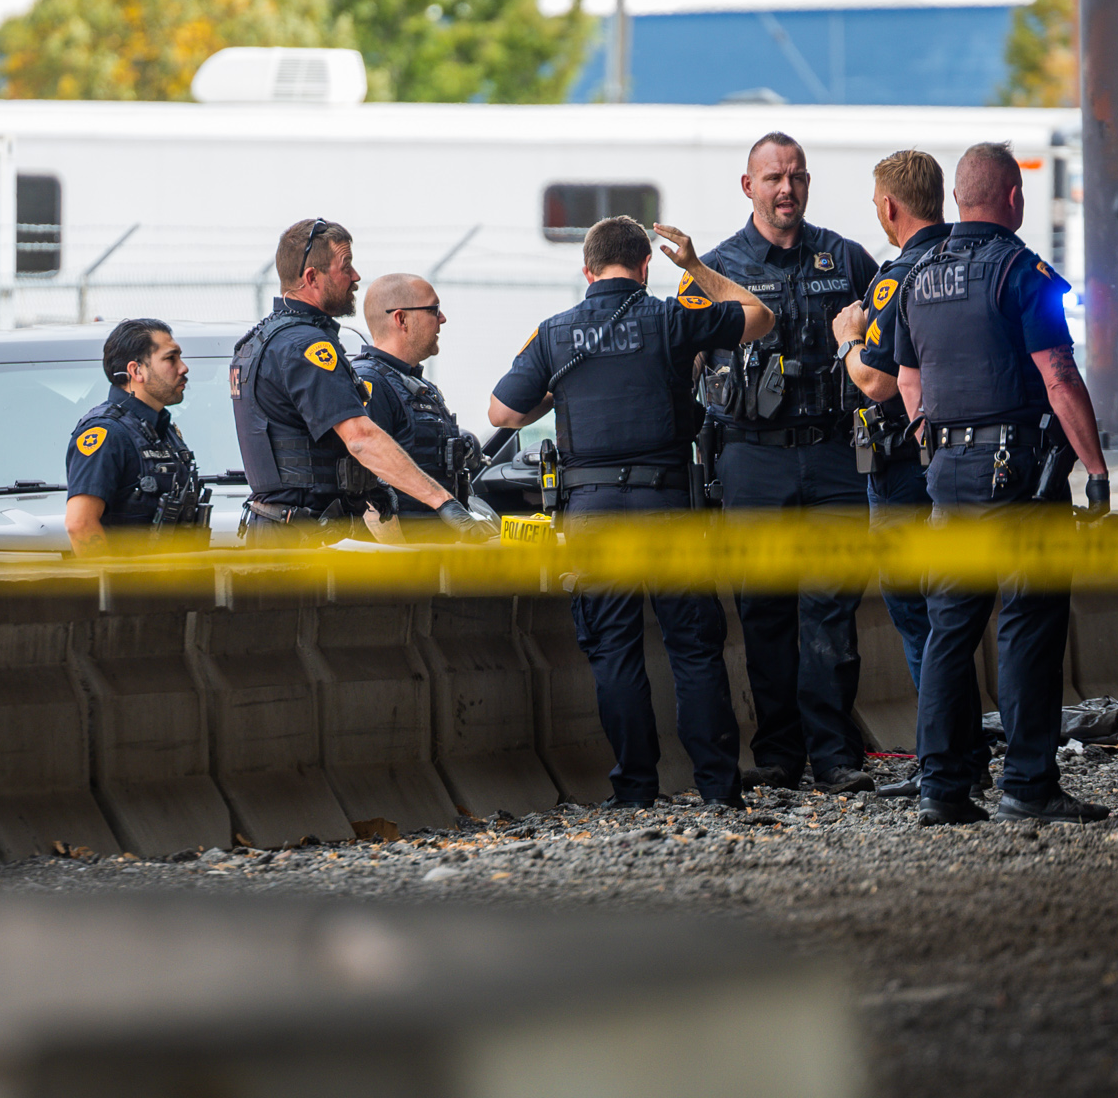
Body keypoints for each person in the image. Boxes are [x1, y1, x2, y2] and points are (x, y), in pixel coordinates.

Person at [489, 216, 773, 810]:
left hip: (592, 511)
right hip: (669, 503)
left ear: (587, 270)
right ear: (645, 266)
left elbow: (502, 414)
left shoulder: (554, 333)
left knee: (614, 649)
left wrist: (563, 389)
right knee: (693, 649)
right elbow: (760, 317)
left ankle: (636, 790)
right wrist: (695, 266)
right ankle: (719, 789)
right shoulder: (671, 318)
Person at [886, 141, 1114, 826]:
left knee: (949, 630)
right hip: (1018, 476)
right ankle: (1027, 784)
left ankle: (943, 790)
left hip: (947, 475)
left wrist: (932, 439)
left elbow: (906, 380)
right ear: (1014, 198)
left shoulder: (917, 274)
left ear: (958, 199)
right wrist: (1096, 471)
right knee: (1028, 624)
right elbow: (1058, 375)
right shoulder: (1023, 272)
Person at [695, 132, 883, 793]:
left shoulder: (849, 260)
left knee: (832, 610)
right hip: (753, 458)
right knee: (765, 611)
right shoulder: (717, 269)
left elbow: (888, 354)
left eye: (798, 176)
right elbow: (683, 369)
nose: (787, 188)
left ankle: (834, 755)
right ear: (748, 186)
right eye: (774, 176)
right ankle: (778, 755)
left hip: (833, 455)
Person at [232, 217, 487, 544]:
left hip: (282, 529)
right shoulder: (306, 345)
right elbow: (360, 439)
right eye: (345, 266)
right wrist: (444, 502)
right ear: (312, 278)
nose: (356, 277)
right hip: (304, 538)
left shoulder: (261, 340)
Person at [833, 149, 947, 726]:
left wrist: (849, 337)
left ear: (890, 205)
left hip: (904, 465)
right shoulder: (969, 258)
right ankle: (961, 746)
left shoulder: (897, 278)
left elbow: (878, 381)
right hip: (967, 462)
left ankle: (942, 754)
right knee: (955, 610)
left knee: (913, 610)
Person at [64, 318, 210, 552]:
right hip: (132, 586)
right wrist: (117, 587)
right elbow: (80, 524)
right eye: (170, 358)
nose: (183, 368)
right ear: (136, 370)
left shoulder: (162, 430)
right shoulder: (107, 433)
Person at [352, 271, 479, 532]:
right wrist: (403, 567)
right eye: (434, 310)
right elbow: (367, 492)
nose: (442, 319)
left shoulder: (417, 386)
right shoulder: (370, 383)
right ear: (402, 319)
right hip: (408, 560)